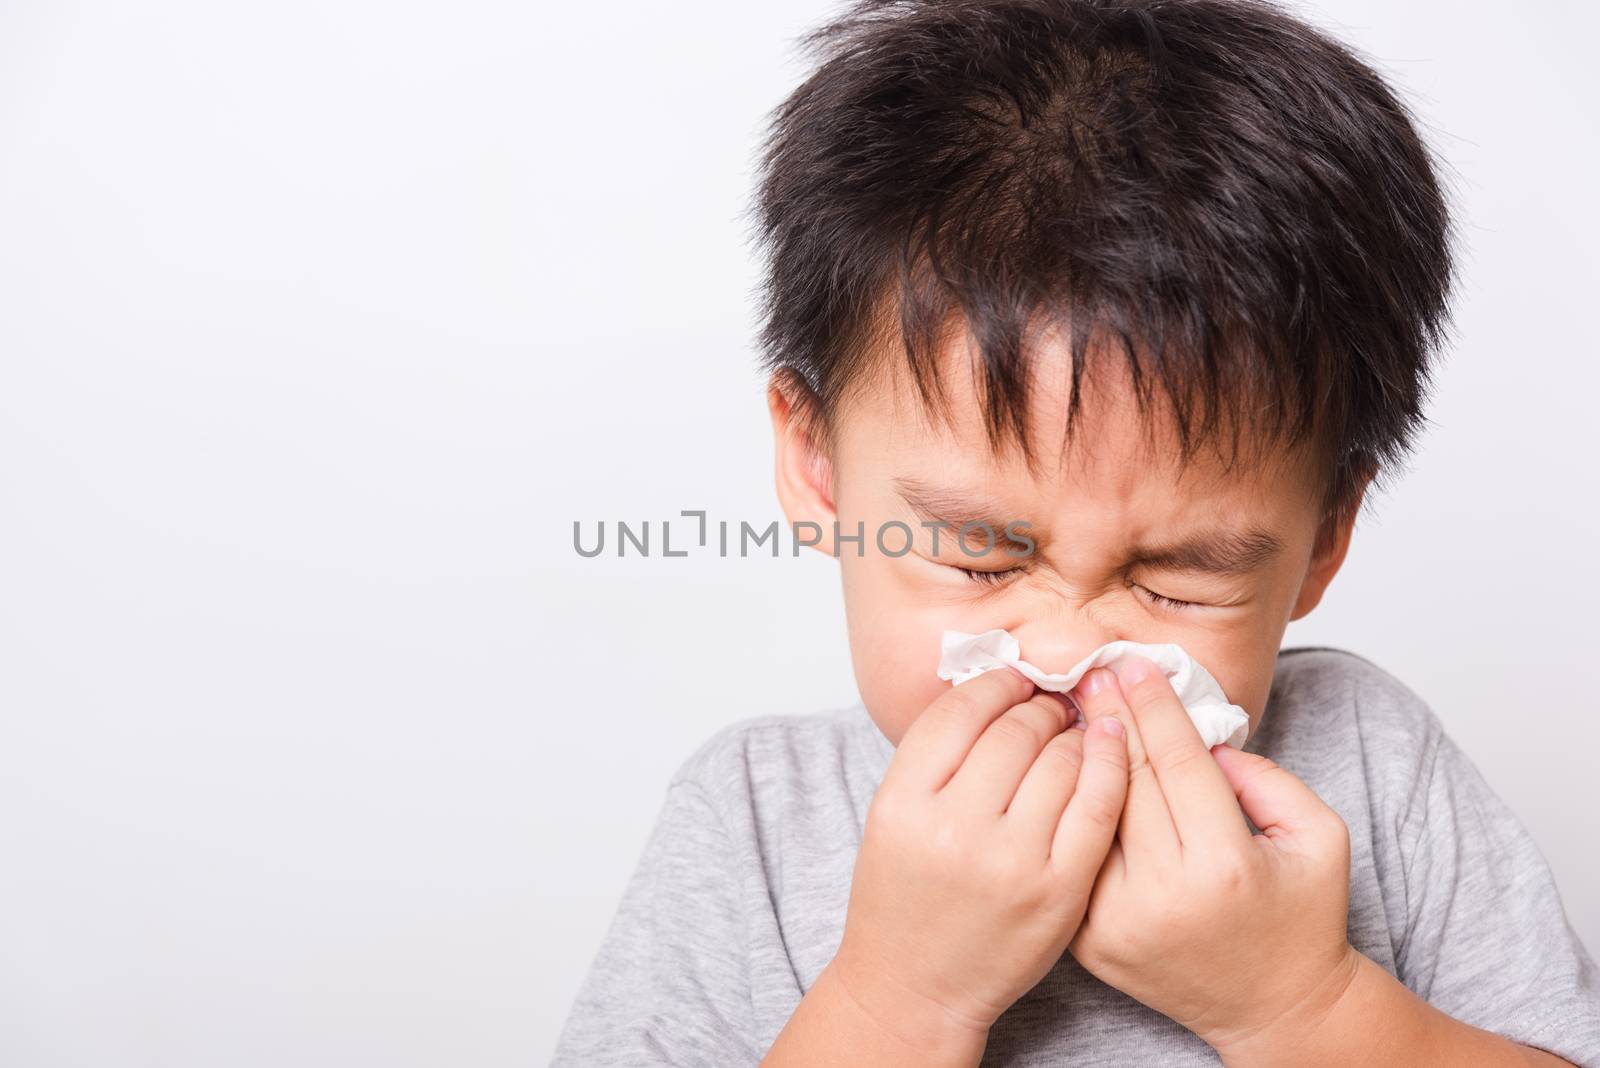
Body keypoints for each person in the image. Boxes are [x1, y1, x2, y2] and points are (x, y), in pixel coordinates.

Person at [551, 0, 1600, 1063]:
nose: (1061, 654)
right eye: (977, 553)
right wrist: (896, 1000)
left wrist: (1300, 1006)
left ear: (1324, 536)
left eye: (1176, 583)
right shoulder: (754, 823)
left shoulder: (1372, 761)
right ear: (818, 468)